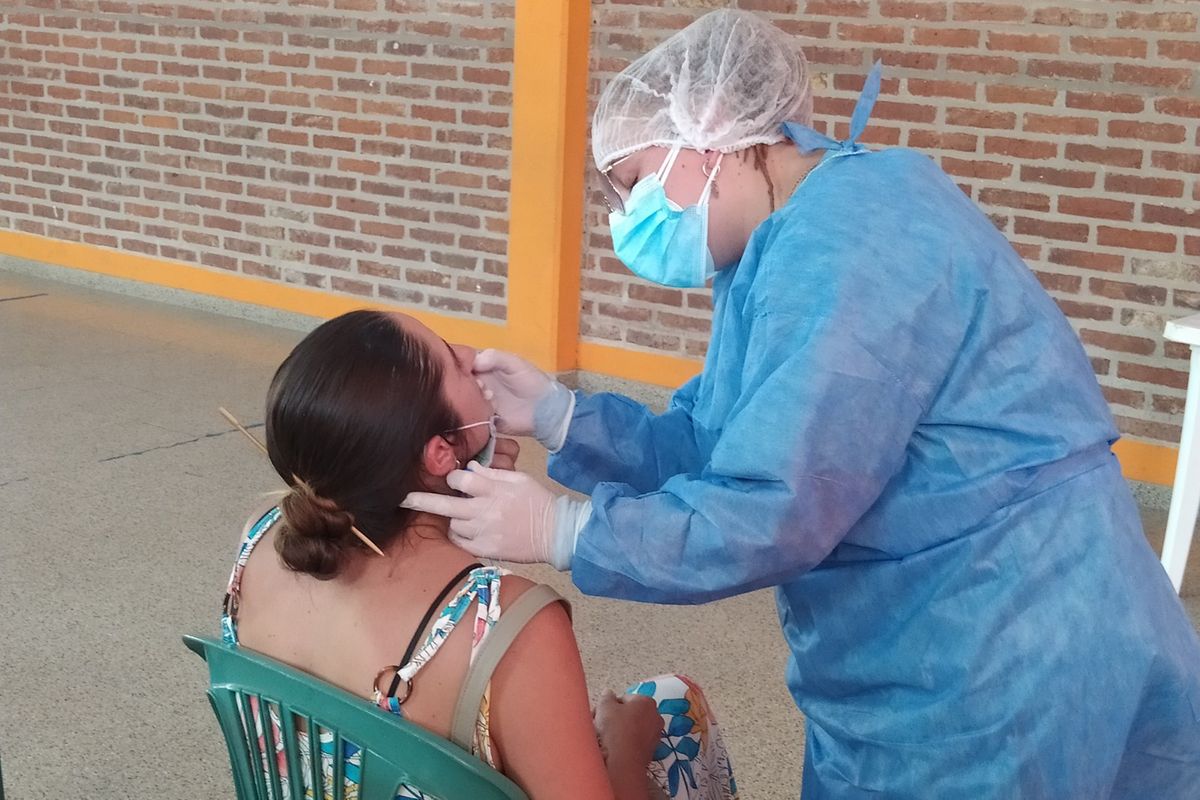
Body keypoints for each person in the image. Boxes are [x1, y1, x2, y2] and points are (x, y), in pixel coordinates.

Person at [401, 9, 1200, 799]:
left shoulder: (852, 244)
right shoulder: (782, 244)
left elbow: (772, 507)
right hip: (932, 627)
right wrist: (564, 417)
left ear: (711, 133)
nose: (626, 218)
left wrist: (570, 530)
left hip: (1004, 641)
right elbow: (725, 441)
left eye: (635, 183)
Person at [221, 310, 738, 800]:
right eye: (452, 359)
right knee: (672, 702)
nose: (471, 355)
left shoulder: (260, 540)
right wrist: (626, 745)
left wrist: (448, 520)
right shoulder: (505, 622)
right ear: (440, 452)